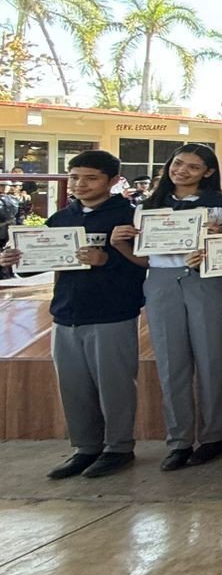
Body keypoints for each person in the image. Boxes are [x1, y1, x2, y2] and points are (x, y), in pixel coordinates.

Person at [0, 151, 144, 478]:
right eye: (75, 177)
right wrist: (14, 259)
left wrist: (107, 259)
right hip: (66, 313)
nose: (81, 184)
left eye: (91, 178)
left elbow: (145, 265)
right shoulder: (61, 218)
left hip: (113, 312)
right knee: (74, 386)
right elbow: (37, 261)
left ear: (112, 181)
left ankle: (119, 448)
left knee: (115, 385)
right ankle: (86, 447)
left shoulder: (129, 217)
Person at [111, 145, 222, 472]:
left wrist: (218, 239)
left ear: (208, 172)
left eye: (193, 167)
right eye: (178, 164)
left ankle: (213, 437)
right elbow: (145, 259)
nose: (182, 171)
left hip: (207, 281)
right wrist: (120, 244)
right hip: (161, 282)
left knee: (211, 360)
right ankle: (179, 441)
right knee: (171, 362)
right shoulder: (147, 206)